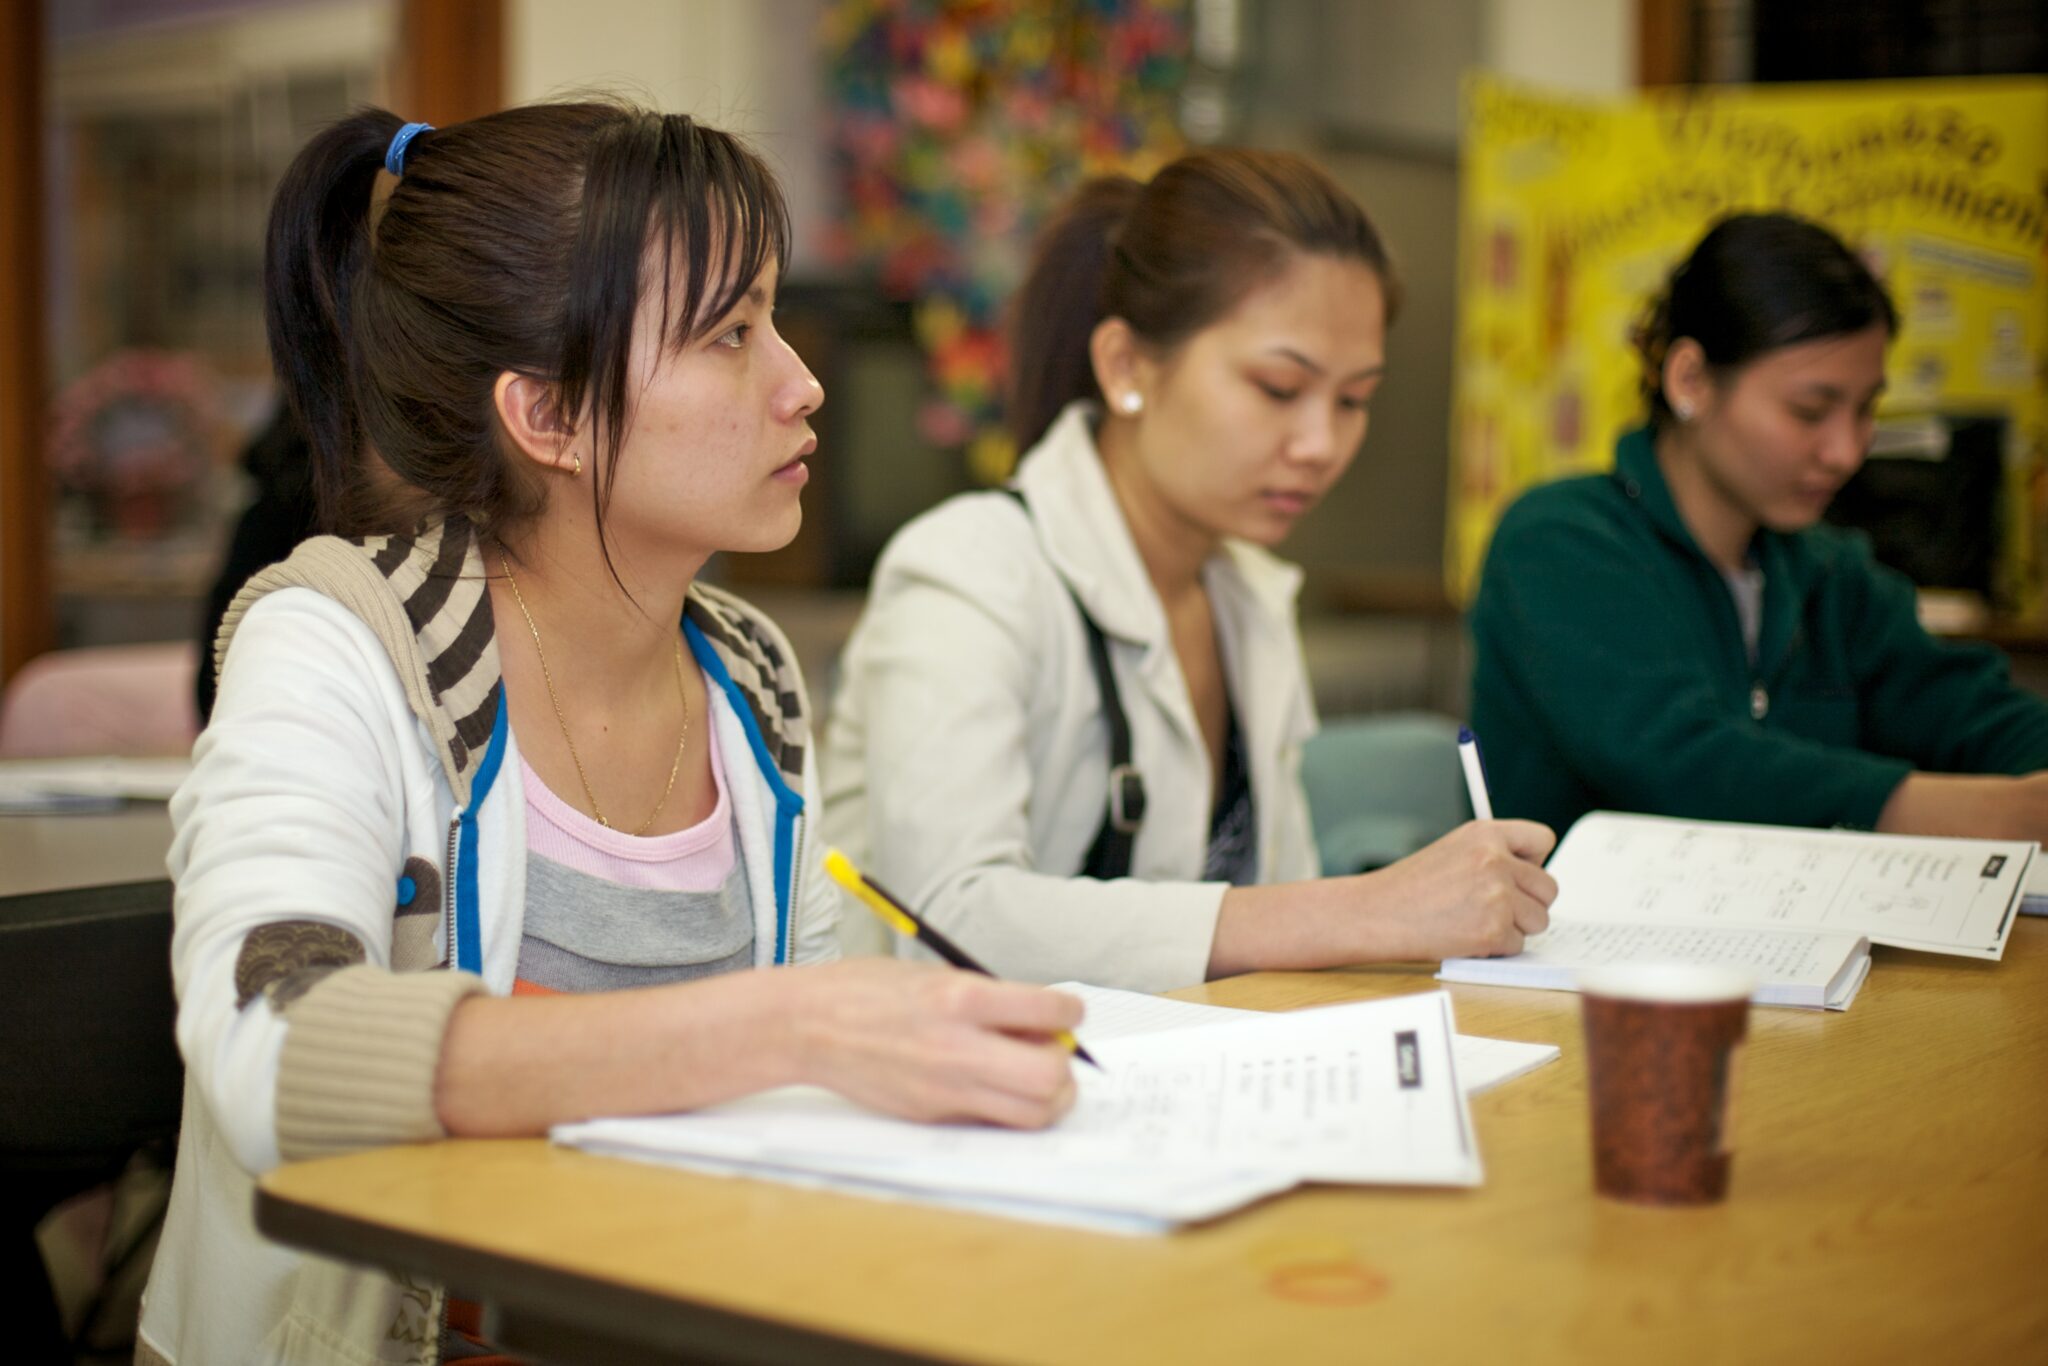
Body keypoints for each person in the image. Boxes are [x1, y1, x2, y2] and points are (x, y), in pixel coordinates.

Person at [137, 103, 1082, 1366]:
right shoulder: (342, 643)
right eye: (731, 334)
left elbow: (782, 1122)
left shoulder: (749, 675)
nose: (800, 382)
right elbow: (275, 1038)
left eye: (775, 319)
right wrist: (787, 1028)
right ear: (549, 416)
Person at [822, 150, 1558, 994]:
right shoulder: (966, 571)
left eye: (1353, 400)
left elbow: (1275, 927)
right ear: (1127, 367)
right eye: (1280, 387)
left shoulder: (1248, 593)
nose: (1322, 444)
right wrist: (1362, 908)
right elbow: (950, 920)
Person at [1469, 211, 2048, 841]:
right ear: (1691, 380)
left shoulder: (1829, 571)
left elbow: (1968, 709)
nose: (1846, 451)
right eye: (1811, 410)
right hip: (1578, 932)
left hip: (1801, 932)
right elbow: (1686, 764)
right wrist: (1965, 810)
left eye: (1866, 409)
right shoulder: (1559, 541)